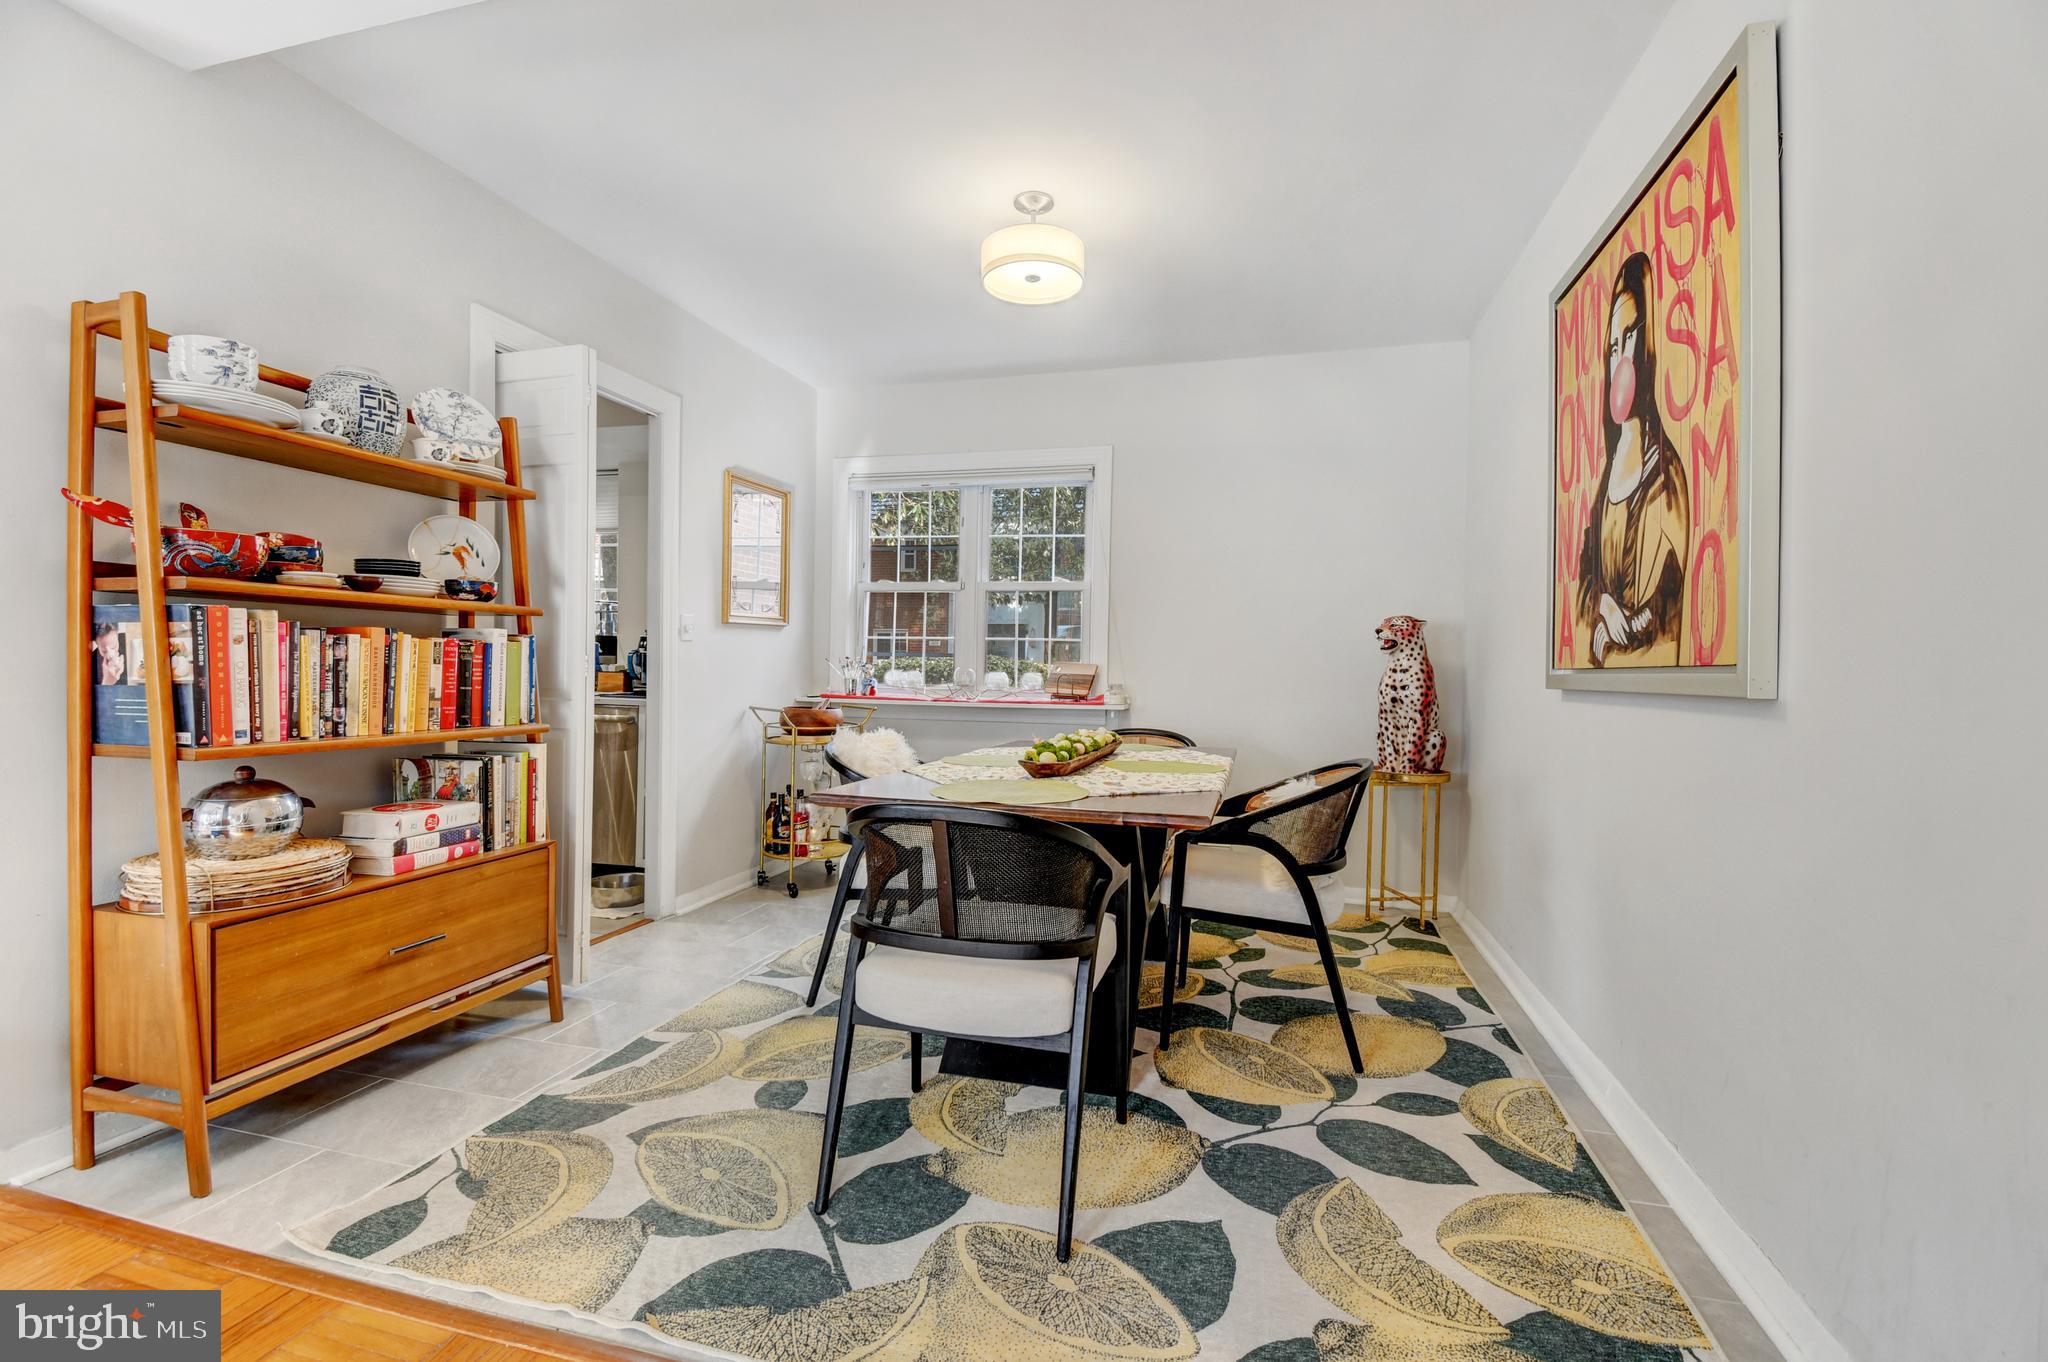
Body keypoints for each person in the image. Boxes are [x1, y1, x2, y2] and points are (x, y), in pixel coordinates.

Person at [1576, 251, 1690, 666]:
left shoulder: (1666, 476)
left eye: (1628, 337)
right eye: (1611, 345)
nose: (1619, 356)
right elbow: (1586, 576)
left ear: (1647, 341)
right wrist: (1604, 605)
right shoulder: (1606, 478)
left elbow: (1669, 603)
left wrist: (1621, 629)